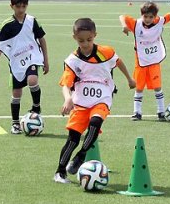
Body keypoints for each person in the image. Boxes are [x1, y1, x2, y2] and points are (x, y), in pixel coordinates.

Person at [54, 18, 136, 183]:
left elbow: (118, 62)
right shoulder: (72, 60)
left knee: (96, 122)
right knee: (73, 138)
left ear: (95, 35)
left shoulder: (106, 52)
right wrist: (68, 98)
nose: (85, 43)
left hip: (102, 98)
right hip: (81, 102)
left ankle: (81, 156)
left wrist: (129, 79)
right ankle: (60, 172)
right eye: (81, 40)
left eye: (89, 40)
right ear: (74, 38)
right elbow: (66, 83)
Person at [0, 0, 49, 134]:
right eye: (18, 6)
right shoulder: (7, 25)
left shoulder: (32, 21)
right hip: (17, 62)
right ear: (11, 6)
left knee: (32, 80)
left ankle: (36, 106)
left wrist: (45, 60)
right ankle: (15, 123)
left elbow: (42, 39)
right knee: (16, 93)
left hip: (32, 57)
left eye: (24, 6)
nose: (21, 9)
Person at [119, 2, 170, 122]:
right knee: (139, 87)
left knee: (157, 87)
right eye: (145, 16)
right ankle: (137, 112)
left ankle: (161, 111)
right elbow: (122, 17)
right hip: (140, 61)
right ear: (141, 15)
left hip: (154, 60)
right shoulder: (136, 24)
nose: (147, 19)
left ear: (155, 16)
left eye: (151, 17)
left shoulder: (159, 21)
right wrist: (124, 26)